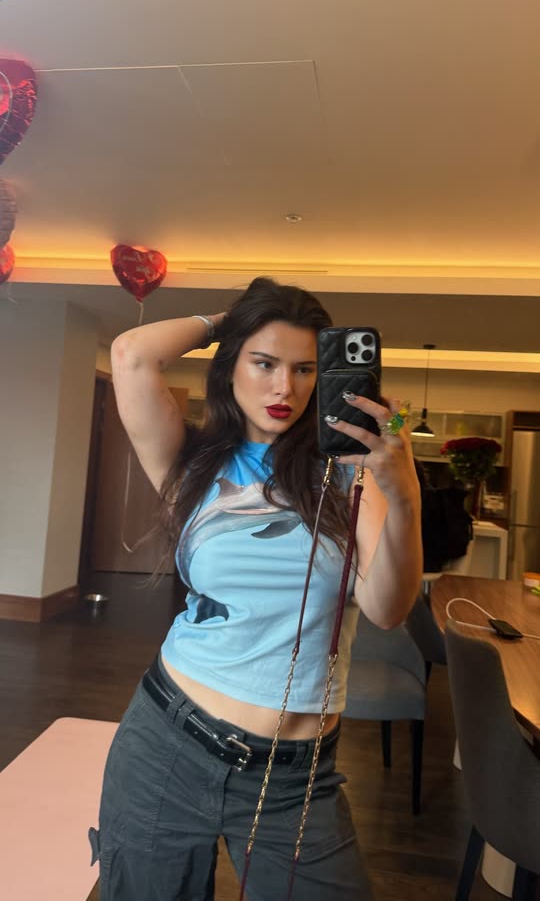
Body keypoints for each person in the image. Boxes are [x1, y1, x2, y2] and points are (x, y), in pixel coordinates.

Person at [88, 277, 422, 900]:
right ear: (231, 365)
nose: (283, 387)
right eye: (264, 362)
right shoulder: (192, 462)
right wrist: (233, 319)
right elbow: (132, 353)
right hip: (167, 743)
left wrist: (403, 495)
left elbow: (386, 608)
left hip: (295, 779)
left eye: (303, 368)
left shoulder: (349, 472)